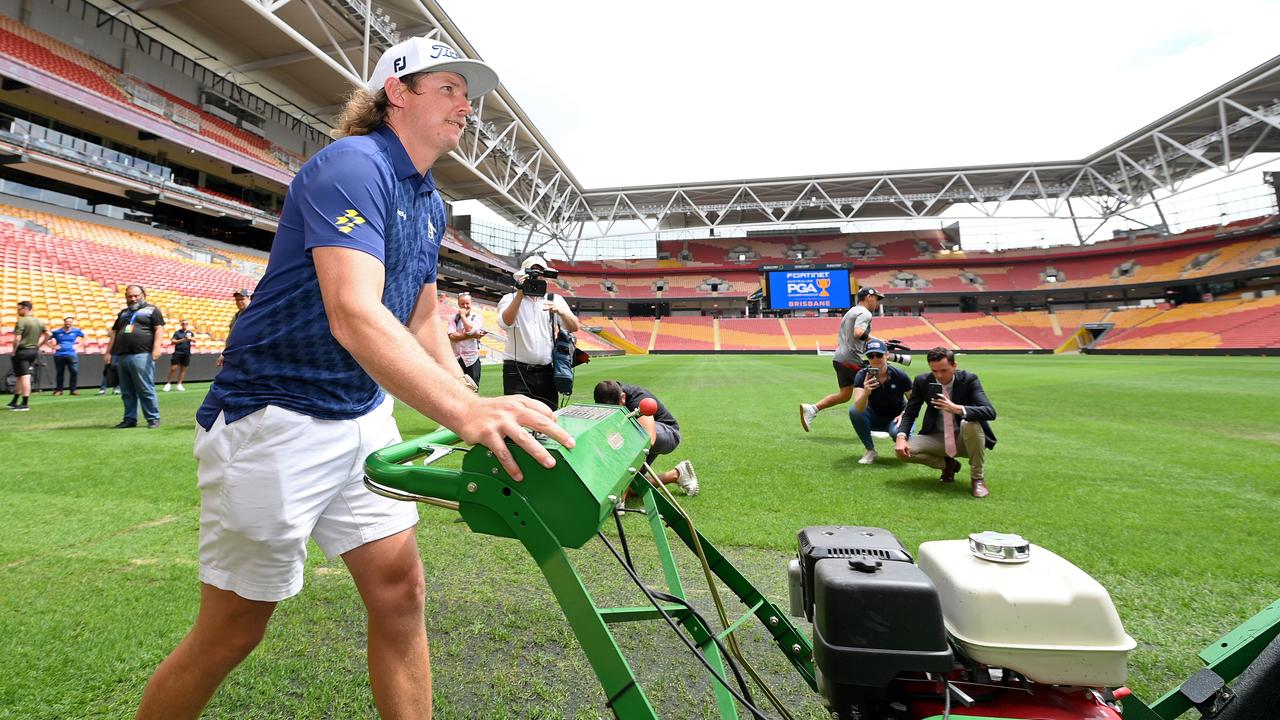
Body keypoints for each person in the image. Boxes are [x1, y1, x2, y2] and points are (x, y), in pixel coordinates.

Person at [135, 36, 572, 720]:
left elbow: (422, 314)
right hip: (275, 418)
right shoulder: (351, 165)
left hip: (359, 415)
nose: (466, 106)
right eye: (450, 89)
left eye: (468, 93)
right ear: (398, 92)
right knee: (232, 631)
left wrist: (471, 400)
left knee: (401, 593)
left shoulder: (428, 200)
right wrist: (465, 418)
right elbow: (354, 313)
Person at [894, 347, 997, 498]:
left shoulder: (969, 380)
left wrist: (958, 409)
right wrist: (901, 437)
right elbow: (910, 413)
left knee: (969, 423)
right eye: (934, 371)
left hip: (966, 439)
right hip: (937, 437)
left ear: (954, 366)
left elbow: (989, 411)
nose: (939, 375)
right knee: (902, 451)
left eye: (944, 370)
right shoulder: (922, 381)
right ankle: (948, 465)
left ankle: (977, 478)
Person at [800, 287, 904, 431]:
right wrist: (878, 341)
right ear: (869, 297)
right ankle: (875, 425)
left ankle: (812, 409)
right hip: (851, 359)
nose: (877, 303)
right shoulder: (865, 313)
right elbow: (858, 332)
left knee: (844, 395)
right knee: (874, 388)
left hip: (840, 358)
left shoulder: (852, 311)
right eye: (876, 299)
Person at [497, 255, 580, 410]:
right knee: (516, 417)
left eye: (541, 274)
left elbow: (574, 326)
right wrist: (520, 294)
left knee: (549, 415)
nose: (537, 278)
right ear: (523, 276)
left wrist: (561, 311)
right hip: (516, 370)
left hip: (545, 370)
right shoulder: (510, 298)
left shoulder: (554, 299)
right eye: (532, 274)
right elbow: (505, 322)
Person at [594, 380, 699, 496]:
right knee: (627, 488)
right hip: (639, 438)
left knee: (631, 433)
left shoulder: (639, 399)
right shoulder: (607, 395)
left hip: (667, 434)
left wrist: (622, 474)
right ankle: (677, 474)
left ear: (623, 397)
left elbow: (649, 439)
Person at [107, 285, 165, 429]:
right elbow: (114, 333)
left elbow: (159, 329)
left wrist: (156, 348)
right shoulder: (123, 313)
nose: (133, 299)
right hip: (122, 356)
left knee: (145, 388)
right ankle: (129, 419)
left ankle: (153, 418)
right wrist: (108, 352)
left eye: (136, 296)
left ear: (143, 295)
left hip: (143, 354)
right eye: (129, 296)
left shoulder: (152, 310)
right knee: (126, 391)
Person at [848, 339, 912, 465]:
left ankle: (905, 440)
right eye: (871, 356)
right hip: (875, 417)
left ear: (887, 355)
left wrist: (904, 414)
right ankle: (870, 451)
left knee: (897, 434)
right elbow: (859, 409)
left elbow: (914, 401)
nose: (875, 358)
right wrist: (866, 393)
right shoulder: (862, 376)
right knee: (853, 411)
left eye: (879, 355)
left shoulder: (899, 375)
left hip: (897, 418)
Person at [9, 300, 48, 411]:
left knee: (25, 376)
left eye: (19, 309)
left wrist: (14, 350)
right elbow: (49, 334)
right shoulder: (39, 321)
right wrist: (40, 344)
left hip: (22, 351)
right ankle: (14, 400)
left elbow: (17, 338)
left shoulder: (21, 321)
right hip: (33, 351)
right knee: (20, 376)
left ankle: (25, 403)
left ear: (26, 309)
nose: (18, 311)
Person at [448, 292, 485, 386]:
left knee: (473, 388)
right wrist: (472, 335)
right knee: (456, 388)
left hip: (471, 359)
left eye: (467, 303)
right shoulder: (453, 318)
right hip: (456, 358)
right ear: (458, 304)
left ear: (471, 303)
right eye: (462, 304)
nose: (465, 306)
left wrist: (463, 316)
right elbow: (452, 337)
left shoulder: (477, 317)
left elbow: (469, 330)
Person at [47, 315, 85, 396]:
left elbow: (85, 337)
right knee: (60, 373)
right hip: (59, 354)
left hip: (71, 354)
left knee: (74, 372)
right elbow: (47, 339)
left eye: (70, 322)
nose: (68, 323)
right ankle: (59, 390)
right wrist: (53, 347)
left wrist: (78, 345)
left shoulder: (76, 331)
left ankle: (73, 390)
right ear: (64, 322)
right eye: (67, 322)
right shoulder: (57, 332)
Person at [216, 290, 251, 368]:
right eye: (237, 300)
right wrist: (224, 353)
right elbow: (231, 337)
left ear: (249, 298)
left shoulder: (255, 314)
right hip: (235, 355)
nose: (239, 302)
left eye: (242, 299)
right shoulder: (236, 316)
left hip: (250, 356)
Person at [164, 319, 196, 392]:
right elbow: (173, 341)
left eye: (186, 324)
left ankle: (179, 384)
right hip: (178, 352)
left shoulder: (190, 333)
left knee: (183, 369)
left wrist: (190, 338)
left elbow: (195, 340)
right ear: (181, 324)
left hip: (186, 353)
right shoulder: (177, 333)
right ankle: (168, 384)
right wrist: (183, 339)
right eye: (183, 323)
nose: (185, 325)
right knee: (173, 368)